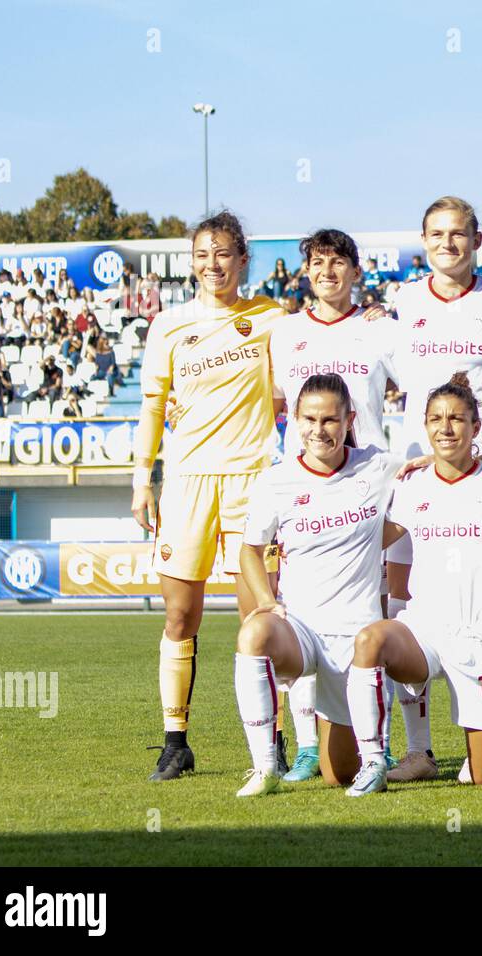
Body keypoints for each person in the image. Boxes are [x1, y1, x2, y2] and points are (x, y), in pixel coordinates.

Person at [130, 210, 292, 781]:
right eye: (202, 254)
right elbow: (153, 406)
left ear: (242, 259)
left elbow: (311, 359)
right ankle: (176, 741)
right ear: (191, 261)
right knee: (181, 615)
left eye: (223, 253)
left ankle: (270, 739)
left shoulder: (274, 318)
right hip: (187, 483)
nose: (212, 264)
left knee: (260, 616)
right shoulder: (168, 326)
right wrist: (140, 478)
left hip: (252, 482)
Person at [376, 196, 482, 784]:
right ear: (423, 240)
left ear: (477, 241)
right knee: (404, 599)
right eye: (437, 234)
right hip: (421, 475)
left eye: (459, 234)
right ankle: (418, 749)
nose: (448, 243)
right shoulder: (405, 300)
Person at [343, 373, 482, 794]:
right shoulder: (410, 484)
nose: (446, 427)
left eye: (457, 418)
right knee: (371, 641)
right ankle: (373, 763)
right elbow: (369, 541)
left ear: (476, 427)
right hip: (424, 631)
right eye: (436, 418)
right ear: (424, 426)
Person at [266, 227, 403, 782]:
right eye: (317, 263)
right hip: (303, 491)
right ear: (306, 273)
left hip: (367, 483)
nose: (327, 272)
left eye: (338, 262)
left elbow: (420, 391)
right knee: (300, 611)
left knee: (379, 614)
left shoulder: (379, 330)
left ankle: (393, 746)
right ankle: (303, 745)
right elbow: (273, 403)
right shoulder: (285, 332)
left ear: (356, 271)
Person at [231, 373, 399, 796]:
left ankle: (377, 753)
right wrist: (267, 601)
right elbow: (250, 550)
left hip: (357, 639)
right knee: (253, 633)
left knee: (337, 773)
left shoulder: (379, 467)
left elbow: (437, 469)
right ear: (292, 418)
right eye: (309, 418)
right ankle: (264, 768)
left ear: (349, 421)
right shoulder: (276, 481)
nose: (318, 429)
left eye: (329, 420)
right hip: (300, 632)